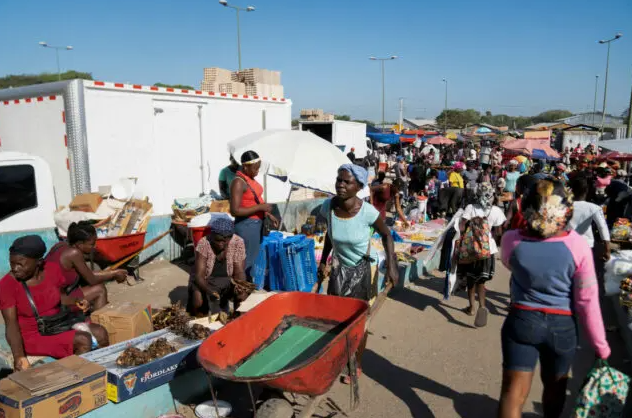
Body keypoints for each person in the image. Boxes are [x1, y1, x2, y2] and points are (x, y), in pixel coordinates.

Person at [498, 179, 610, 418]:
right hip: (563, 327)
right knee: (555, 389)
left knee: (512, 393)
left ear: (527, 207)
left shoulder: (511, 240)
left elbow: (508, 263)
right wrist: (601, 346)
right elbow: (587, 301)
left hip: (521, 320)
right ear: (566, 210)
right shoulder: (577, 246)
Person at [316, 164, 398, 383]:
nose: (340, 185)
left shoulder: (367, 212)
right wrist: (324, 261)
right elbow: (330, 236)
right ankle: (336, 358)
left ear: (359, 187)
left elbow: (387, 235)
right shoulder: (329, 207)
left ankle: (356, 364)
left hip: (362, 270)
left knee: (358, 323)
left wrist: (392, 266)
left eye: (347, 182)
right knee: (335, 319)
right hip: (339, 269)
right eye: (339, 180)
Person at [0, 236, 109, 370]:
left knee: (101, 333)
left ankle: (104, 372)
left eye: (21, 264)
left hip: (58, 324)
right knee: (83, 340)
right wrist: (19, 357)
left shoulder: (52, 270)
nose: (15, 268)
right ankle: (75, 381)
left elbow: (59, 297)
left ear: (39, 262)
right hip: (34, 336)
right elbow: (11, 325)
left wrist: (76, 301)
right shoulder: (7, 284)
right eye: (12, 263)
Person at [46, 222, 128, 311]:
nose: (95, 247)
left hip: (47, 295)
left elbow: (87, 274)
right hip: (56, 300)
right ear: (80, 244)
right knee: (99, 289)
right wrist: (114, 274)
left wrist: (110, 272)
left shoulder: (60, 245)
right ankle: (99, 323)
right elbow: (92, 279)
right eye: (92, 244)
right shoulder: (74, 253)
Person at [457, 183, 506, 327]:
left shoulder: (470, 208)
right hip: (487, 250)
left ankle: (471, 307)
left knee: (471, 280)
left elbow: (461, 227)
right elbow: (498, 232)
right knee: (481, 281)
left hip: (471, 249)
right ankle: (482, 306)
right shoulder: (496, 210)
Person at [229, 151, 279, 279]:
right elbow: (234, 210)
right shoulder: (238, 182)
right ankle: (240, 289)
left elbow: (254, 200)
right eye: (255, 168)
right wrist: (260, 207)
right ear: (245, 167)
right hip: (246, 226)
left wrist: (267, 214)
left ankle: (245, 285)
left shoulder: (249, 179)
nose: (257, 171)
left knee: (252, 258)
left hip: (256, 224)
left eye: (258, 167)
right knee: (246, 261)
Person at [188, 217, 248, 316]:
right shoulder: (204, 243)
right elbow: (199, 276)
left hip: (227, 280)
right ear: (211, 236)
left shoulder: (238, 242)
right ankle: (200, 321)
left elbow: (239, 272)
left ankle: (237, 321)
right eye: (217, 240)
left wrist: (240, 286)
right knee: (198, 301)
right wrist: (209, 291)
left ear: (230, 237)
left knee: (242, 296)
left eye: (225, 241)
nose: (221, 244)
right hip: (206, 280)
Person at [568, 176, 611, 262]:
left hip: (566, 245)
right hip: (586, 245)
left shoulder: (562, 206)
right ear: (587, 191)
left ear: (572, 190)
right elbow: (602, 227)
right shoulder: (593, 208)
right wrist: (607, 249)